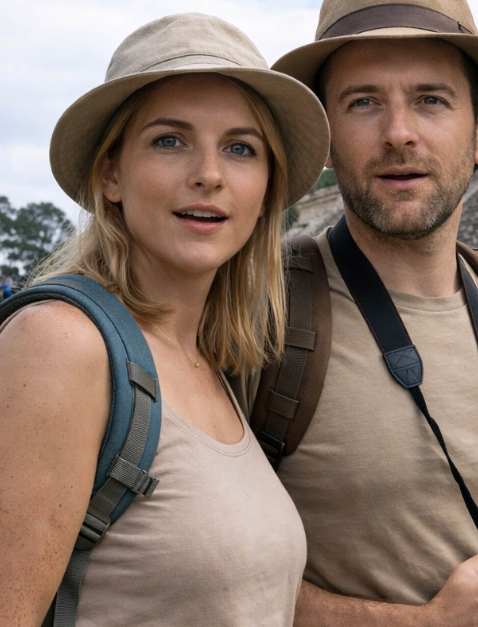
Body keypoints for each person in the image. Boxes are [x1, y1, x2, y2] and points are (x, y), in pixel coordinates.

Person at [264, 0, 478, 624]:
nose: (399, 132)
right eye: (363, 102)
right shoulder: (258, 316)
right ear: (323, 137)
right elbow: (194, 574)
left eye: (430, 99)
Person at [0, 13, 329, 626]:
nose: (209, 173)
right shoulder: (62, 345)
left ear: (264, 193)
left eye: (240, 148)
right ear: (111, 174)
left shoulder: (211, 363)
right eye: (169, 140)